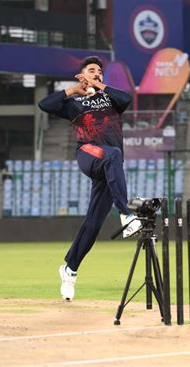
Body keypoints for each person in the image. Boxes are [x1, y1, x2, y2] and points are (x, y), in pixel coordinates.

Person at [38, 56, 142, 301]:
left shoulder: (111, 98)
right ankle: (126, 215)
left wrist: (100, 86)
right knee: (113, 154)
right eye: (91, 70)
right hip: (88, 154)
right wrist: (74, 89)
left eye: (99, 71)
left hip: (110, 166)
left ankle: (69, 268)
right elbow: (45, 104)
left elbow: (127, 98)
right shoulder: (75, 103)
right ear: (82, 75)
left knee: (93, 224)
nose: (97, 73)